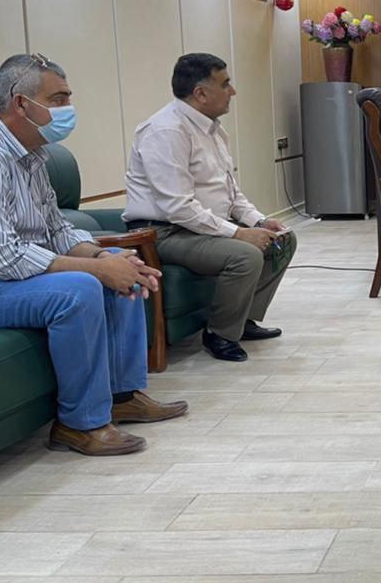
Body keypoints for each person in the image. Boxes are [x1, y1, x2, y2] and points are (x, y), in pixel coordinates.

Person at [0, 54, 187, 456]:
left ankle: (121, 397)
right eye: (59, 99)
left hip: (2, 279)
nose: (69, 108)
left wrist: (104, 258)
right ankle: (78, 424)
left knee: (119, 262)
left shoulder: (31, 153)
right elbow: (1, 257)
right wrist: (96, 270)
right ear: (21, 104)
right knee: (79, 288)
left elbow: (56, 230)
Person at [124, 53, 296, 363]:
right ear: (201, 93)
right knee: (245, 255)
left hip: (198, 226)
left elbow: (230, 191)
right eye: (226, 84)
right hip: (163, 232)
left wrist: (258, 221)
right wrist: (238, 234)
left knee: (282, 241)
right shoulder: (166, 131)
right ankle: (220, 334)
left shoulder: (213, 130)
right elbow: (178, 208)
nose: (233, 91)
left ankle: (242, 320)